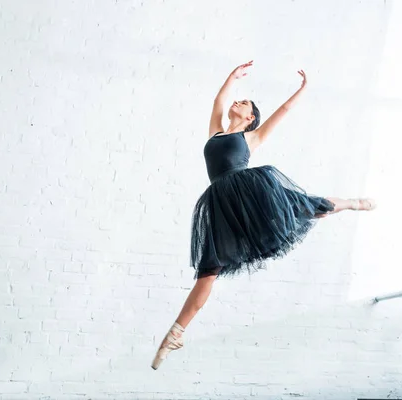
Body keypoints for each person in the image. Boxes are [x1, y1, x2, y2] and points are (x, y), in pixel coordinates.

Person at [151, 60, 376, 370]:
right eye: (238, 98)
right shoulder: (215, 134)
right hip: (222, 206)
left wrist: (303, 89)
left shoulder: (250, 139)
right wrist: (231, 76)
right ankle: (176, 334)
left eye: (244, 102)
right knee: (208, 272)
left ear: (250, 117)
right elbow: (218, 102)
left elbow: (282, 113)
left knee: (311, 204)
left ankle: (351, 203)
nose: (237, 101)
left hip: (251, 193)